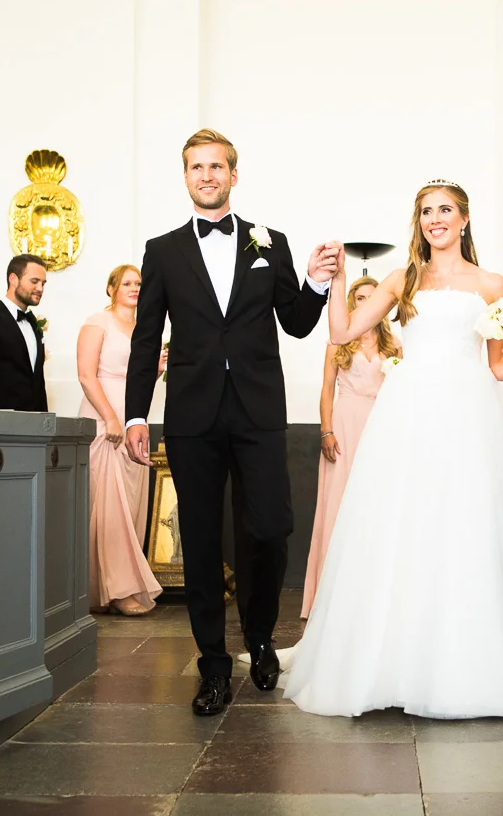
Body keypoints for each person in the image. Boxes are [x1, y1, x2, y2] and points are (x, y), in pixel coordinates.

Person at [284, 180, 503, 720]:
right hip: (408, 412)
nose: (435, 219)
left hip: (468, 415)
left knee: (463, 525)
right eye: (426, 211)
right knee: (403, 523)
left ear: (464, 219)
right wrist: (338, 280)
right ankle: (392, 658)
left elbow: (496, 367)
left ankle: (467, 661)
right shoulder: (401, 279)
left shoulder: (491, 284)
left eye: (445, 210)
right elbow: (341, 332)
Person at [123, 128, 338, 717]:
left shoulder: (271, 242)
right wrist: (137, 413)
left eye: (216, 166)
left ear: (233, 175)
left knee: (269, 527)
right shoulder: (162, 251)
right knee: (198, 538)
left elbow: (296, 322)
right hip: (191, 411)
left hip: (258, 408)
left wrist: (316, 282)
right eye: (197, 167)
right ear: (185, 177)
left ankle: (261, 639)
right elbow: (146, 337)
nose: (207, 175)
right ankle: (214, 664)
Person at [302, 275, 401, 620]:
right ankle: (331, 596)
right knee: (339, 501)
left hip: (381, 425)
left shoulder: (394, 346)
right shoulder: (338, 341)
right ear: (351, 302)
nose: (367, 303)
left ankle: (372, 593)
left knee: (377, 503)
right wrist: (326, 430)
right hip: (344, 425)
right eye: (360, 298)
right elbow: (327, 389)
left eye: (373, 297)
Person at [77, 265, 165, 616]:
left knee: (129, 505)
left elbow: (139, 379)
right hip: (104, 419)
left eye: (139, 283)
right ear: (111, 288)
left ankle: (116, 584)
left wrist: (156, 372)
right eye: (127, 282)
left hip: (134, 420)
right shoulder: (98, 322)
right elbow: (86, 375)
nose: (135, 288)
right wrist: (111, 418)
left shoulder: (146, 329)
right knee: (107, 505)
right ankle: (116, 590)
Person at [0, 254, 48, 411]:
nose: (40, 288)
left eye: (43, 283)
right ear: (13, 279)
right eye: (34, 281)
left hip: (33, 422)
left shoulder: (33, 323)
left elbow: (38, 384)